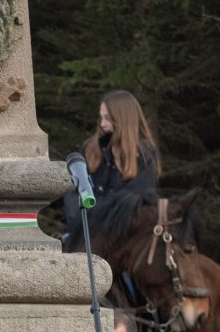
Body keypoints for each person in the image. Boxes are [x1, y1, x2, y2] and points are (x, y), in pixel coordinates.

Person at [64, 90, 161, 235]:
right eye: (101, 118)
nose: (102, 124)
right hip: (84, 233)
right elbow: (72, 192)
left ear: (123, 119)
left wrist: (99, 213)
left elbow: (135, 204)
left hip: (122, 238)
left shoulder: (144, 155)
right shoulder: (89, 149)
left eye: (108, 118)